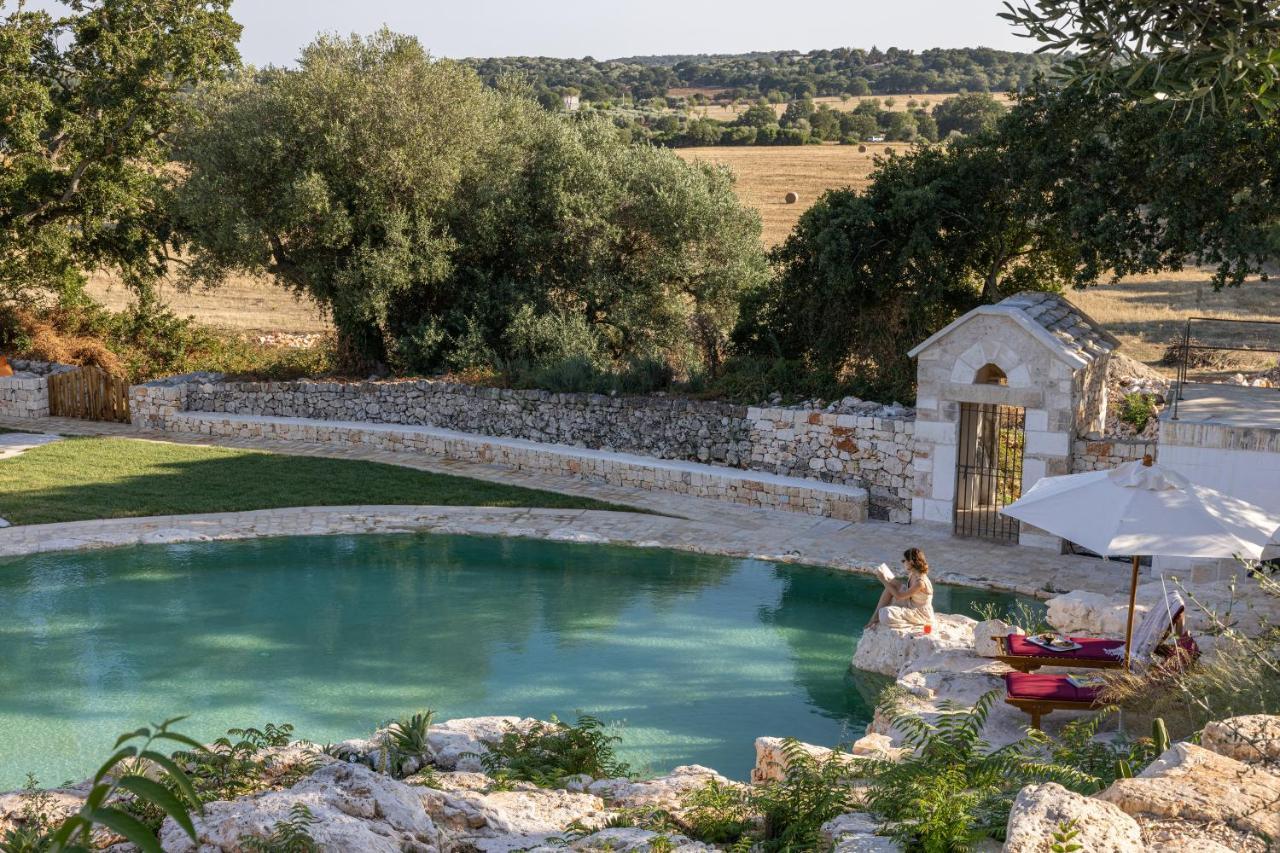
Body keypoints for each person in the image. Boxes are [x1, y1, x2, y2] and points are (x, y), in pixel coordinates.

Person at [866, 547, 934, 629]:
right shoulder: (913, 574)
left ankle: (878, 618)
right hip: (911, 602)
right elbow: (898, 585)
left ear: (911, 562)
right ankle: (874, 618)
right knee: (890, 588)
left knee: (885, 613)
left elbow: (898, 596)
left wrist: (883, 580)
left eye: (904, 560)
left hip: (920, 613)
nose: (903, 563)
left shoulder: (920, 582)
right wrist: (886, 576)